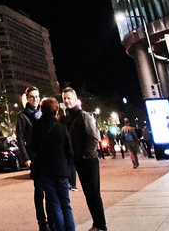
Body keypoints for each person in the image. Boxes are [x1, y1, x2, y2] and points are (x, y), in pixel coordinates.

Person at [61, 88, 107, 231]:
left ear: (75, 99)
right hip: (78, 161)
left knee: (93, 193)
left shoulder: (83, 116)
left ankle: (101, 225)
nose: (67, 101)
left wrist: (86, 154)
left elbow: (94, 137)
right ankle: (97, 223)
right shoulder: (67, 117)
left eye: (69, 98)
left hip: (88, 160)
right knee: (89, 194)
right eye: (64, 99)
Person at [29, 97, 76, 231]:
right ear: (55, 110)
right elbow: (70, 151)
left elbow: (33, 147)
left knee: (54, 203)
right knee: (66, 204)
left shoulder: (37, 126)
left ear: (42, 109)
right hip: (61, 170)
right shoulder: (61, 127)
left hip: (45, 171)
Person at [15, 86, 41, 170]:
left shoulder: (44, 113)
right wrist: (26, 158)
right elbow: (20, 138)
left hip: (47, 153)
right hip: (33, 154)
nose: (34, 99)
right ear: (27, 98)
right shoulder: (22, 116)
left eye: (36, 96)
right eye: (32, 97)